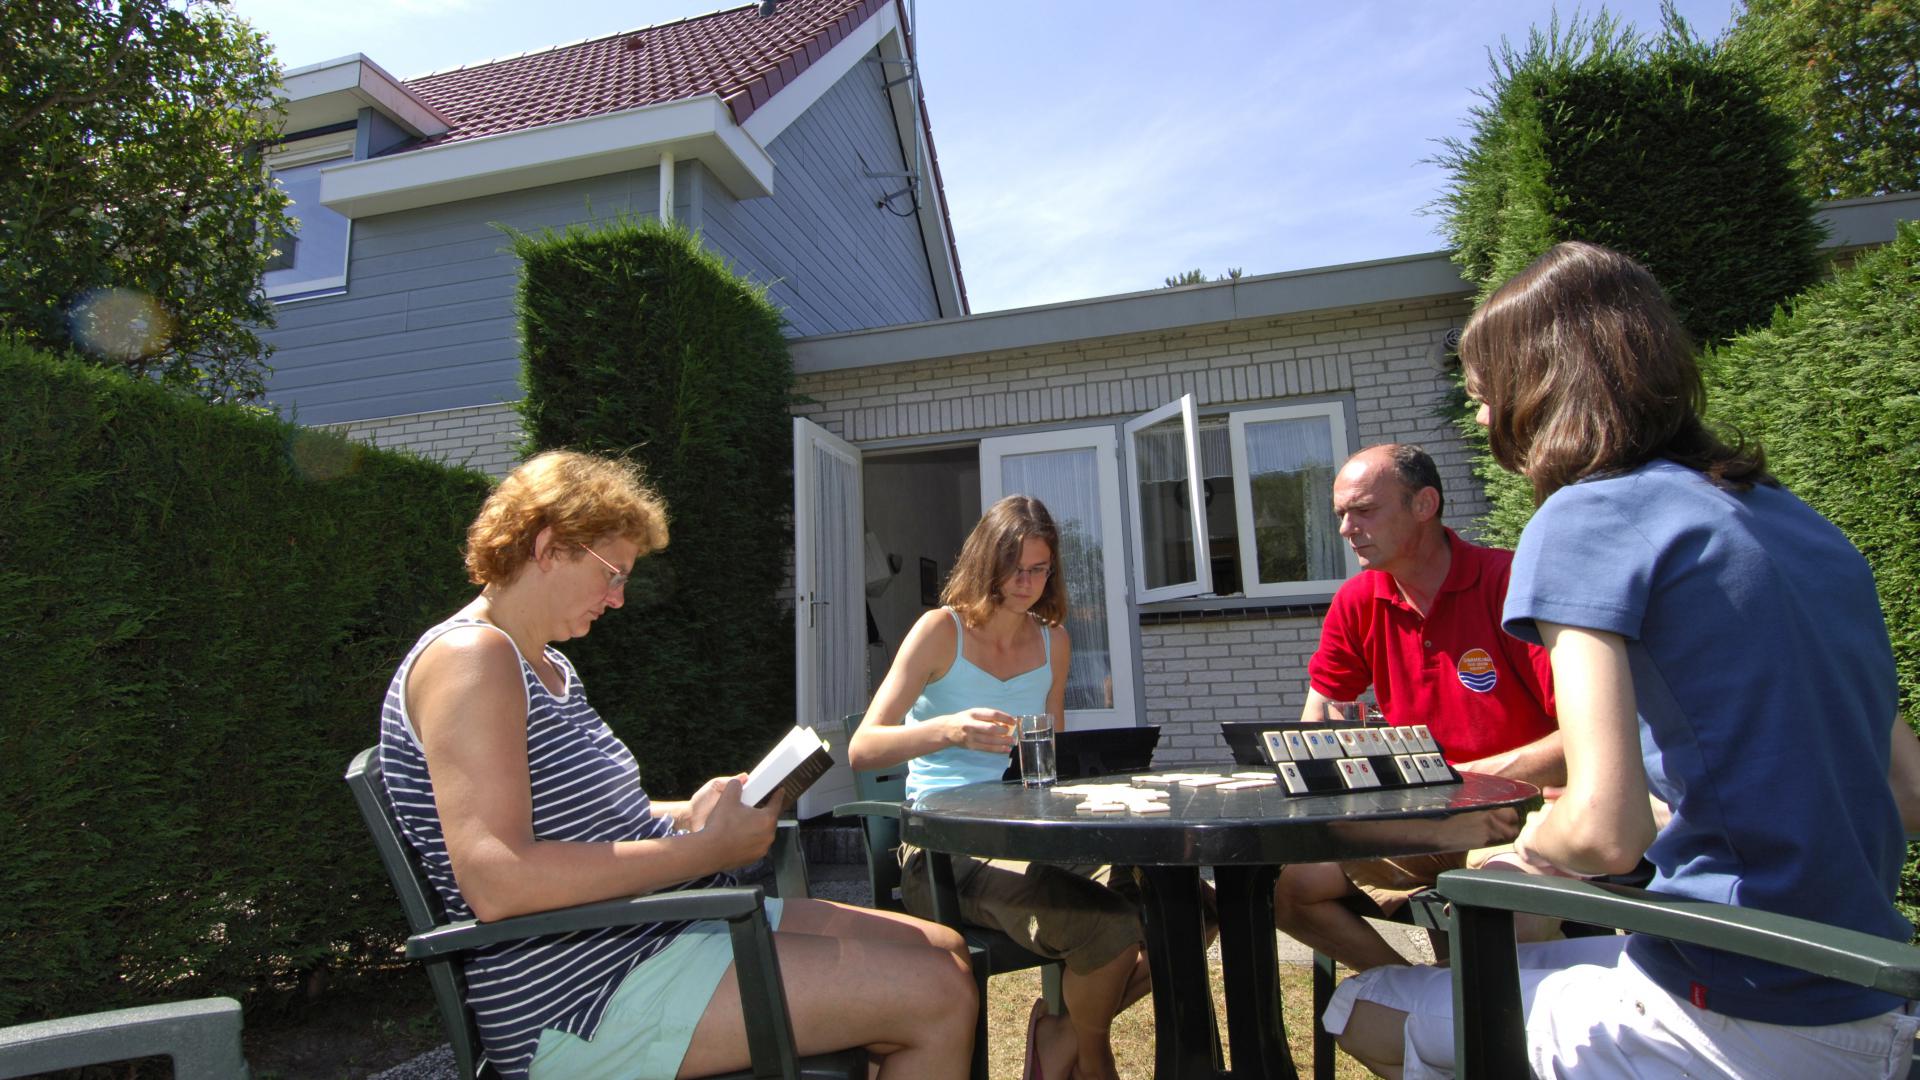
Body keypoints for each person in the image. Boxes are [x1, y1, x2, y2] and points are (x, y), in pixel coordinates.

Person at [1327, 241, 1920, 1078]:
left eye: (1485, 396)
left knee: (1368, 1005)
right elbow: (1908, 791)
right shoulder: (1801, 525)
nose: (1486, 423)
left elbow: (1606, 826)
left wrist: (1518, 859)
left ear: (1538, 389)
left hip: (1739, 1009)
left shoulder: (1585, 520)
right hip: (1879, 996)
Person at [378, 450, 974, 1080]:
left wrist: (686, 812)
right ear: (550, 547)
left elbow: (588, 819)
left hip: (648, 932)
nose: (618, 598)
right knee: (937, 993)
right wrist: (705, 851)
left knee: (945, 948)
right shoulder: (472, 659)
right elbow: (498, 880)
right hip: (581, 994)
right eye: (612, 573)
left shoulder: (549, 667)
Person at [849, 495, 1147, 1080]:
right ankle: (1093, 1061)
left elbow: (1052, 757)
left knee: (1186, 909)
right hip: (943, 847)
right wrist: (946, 729)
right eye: (1015, 568)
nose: (1026, 582)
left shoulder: (1053, 641)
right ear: (987, 562)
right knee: (1108, 927)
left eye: (1040, 569)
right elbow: (863, 746)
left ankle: (1063, 1037)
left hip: (1033, 836)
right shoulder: (941, 631)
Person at [1275, 442, 1563, 971]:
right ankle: (1420, 1005)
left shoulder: (1510, 583)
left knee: (1499, 907)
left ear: (1424, 504)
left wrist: (1467, 780)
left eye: (1364, 510)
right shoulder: (1359, 600)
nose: (1346, 528)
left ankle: (1472, 1032)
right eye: (1341, 514)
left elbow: (1584, 740)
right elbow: (1319, 715)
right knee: (1290, 886)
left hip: (1527, 814)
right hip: (1424, 818)